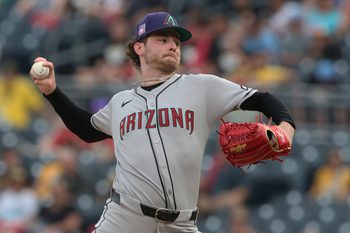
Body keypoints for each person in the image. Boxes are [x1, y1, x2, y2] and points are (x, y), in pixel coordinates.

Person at [29, 11, 295, 233]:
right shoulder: (121, 102)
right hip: (125, 218)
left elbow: (263, 99)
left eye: (177, 43)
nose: (173, 46)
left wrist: (286, 126)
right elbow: (87, 130)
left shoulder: (202, 87)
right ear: (139, 47)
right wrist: (52, 92)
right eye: (163, 39)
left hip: (181, 222)